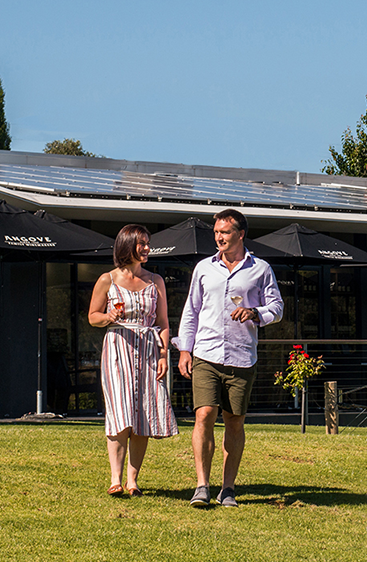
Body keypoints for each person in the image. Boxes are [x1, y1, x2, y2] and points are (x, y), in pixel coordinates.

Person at [177, 209, 283, 508]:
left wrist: (255, 313)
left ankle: (228, 488)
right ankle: (201, 486)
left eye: (224, 232)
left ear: (240, 234)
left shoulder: (260, 269)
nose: (219, 237)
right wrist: (185, 350)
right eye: (216, 232)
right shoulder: (203, 268)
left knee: (234, 421)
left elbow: (277, 307)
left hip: (241, 356)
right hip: (206, 353)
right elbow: (191, 312)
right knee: (204, 414)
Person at [89, 224, 178, 497]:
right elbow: (93, 316)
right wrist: (108, 318)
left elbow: (163, 323)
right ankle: (115, 478)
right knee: (120, 411)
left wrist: (164, 355)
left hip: (149, 349)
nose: (147, 248)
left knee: (143, 413)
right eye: (142, 244)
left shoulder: (156, 281)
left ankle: (133, 480)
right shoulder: (108, 279)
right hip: (118, 348)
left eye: (147, 243)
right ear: (127, 245)